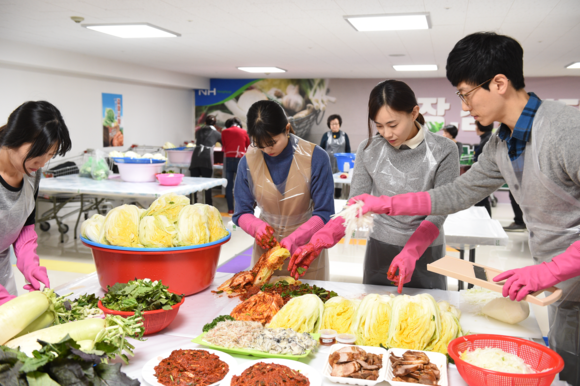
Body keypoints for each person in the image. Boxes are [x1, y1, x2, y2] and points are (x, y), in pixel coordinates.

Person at [345, 32, 580, 384]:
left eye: (466, 94)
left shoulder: (565, 130)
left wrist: (551, 268)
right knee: (569, 366)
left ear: (499, 83)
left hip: (564, 273)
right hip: (566, 288)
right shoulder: (501, 142)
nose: (465, 106)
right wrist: (388, 203)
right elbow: (456, 193)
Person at [289, 80, 460, 289]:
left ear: (414, 113)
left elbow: (439, 211)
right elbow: (355, 206)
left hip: (425, 249)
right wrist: (319, 241)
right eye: (379, 126)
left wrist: (411, 251)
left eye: (393, 125)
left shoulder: (444, 150)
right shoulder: (369, 149)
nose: (386, 134)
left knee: (425, 314)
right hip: (381, 248)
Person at [233, 100, 334, 280]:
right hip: (266, 249)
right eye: (259, 144)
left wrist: (296, 238)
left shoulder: (315, 158)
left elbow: (325, 213)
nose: (266, 150)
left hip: (305, 249)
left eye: (272, 142)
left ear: (287, 129)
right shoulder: (247, 162)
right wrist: (256, 227)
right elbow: (241, 212)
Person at [0, 101, 72, 305]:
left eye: (49, 156)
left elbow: (24, 226)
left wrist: (30, 265)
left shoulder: (31, 174)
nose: (41, 165)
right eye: (38, 155)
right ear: (15, 137)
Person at [189, 115, 221, 205]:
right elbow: (223, 143)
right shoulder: (217, 134)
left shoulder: (198, 131)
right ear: (215, 124)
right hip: (206, 158)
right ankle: (208, 204)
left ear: (205, 122)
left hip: (196, 157)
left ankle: (192, 203)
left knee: (193, 184)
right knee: (207, 184)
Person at [221, 117, 250, 214]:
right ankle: (240, 210)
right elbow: (248, 147)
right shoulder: (244, 132)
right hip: (241, 159)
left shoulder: (224, 132)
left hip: (228, 159)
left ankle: (230, 209)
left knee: (229, 185)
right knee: (241, 185)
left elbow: (224, 146)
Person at [473, 121, 494, 216]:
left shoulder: (487, 140)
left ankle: (483, 222)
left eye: (476, 126)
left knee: (481, 202)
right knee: (483, 201)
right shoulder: (486, 139)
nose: (475, 128)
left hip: (484, 176)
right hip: (483, 175)